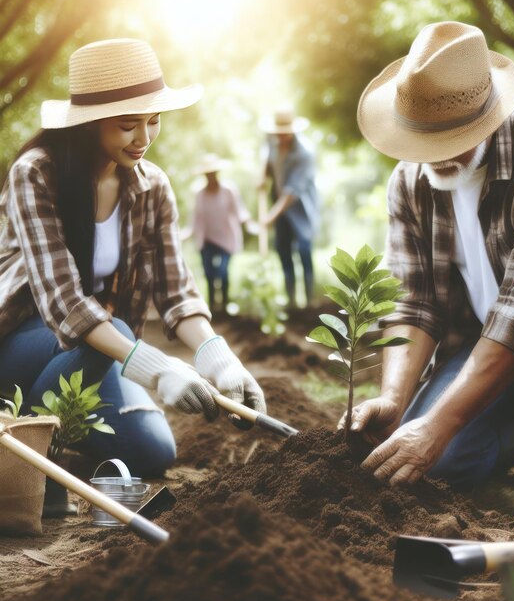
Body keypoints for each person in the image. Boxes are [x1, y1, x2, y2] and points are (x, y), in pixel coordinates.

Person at [344, 21, 514, 529]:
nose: (438, 152)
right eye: (425, 138)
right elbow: (414, 301)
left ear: (490, 116)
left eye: (455, 136)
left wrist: (440, 422)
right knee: (435, 459)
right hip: (486, 349)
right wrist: (396, 399)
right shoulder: (410, 180)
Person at [0, 38, 266, 481]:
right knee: (116, 326)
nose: (144, 139)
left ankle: (55, 439)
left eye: (153, 121)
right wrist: (157, 369)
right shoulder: (36, 173)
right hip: (19, 350)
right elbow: (64, 302)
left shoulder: (151, 187)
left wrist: (219, 359)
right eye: (128, 125)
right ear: (89, 124)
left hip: (87, 356)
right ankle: (28, 440)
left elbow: (175, 291)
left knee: (153, 451)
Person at [259, 107, 319, 308]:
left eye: (285, 132)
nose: (281, 136)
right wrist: (263, 176)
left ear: (293, 130)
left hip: (300, 208)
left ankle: (309, 302)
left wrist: (270, 216)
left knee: (304, 249)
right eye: (278, 133)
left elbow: (292, 193)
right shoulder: (272, 142)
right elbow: (267, 160)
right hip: (279, 206)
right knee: (283, 251)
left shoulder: (304, 153)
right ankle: (291, 301)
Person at [192, 153, 254, 312]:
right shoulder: (200, 194)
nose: (210, 176)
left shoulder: (228, 190)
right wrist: (181, 235)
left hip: (227, 240)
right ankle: (213, 307)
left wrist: (251, 225)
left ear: (217, 173)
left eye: (213, 173)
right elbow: (195, 219)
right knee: (209, 274)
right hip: (207, 240)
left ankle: (225, 304)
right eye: (207, 174)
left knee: (223, 272)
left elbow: (239, 212)